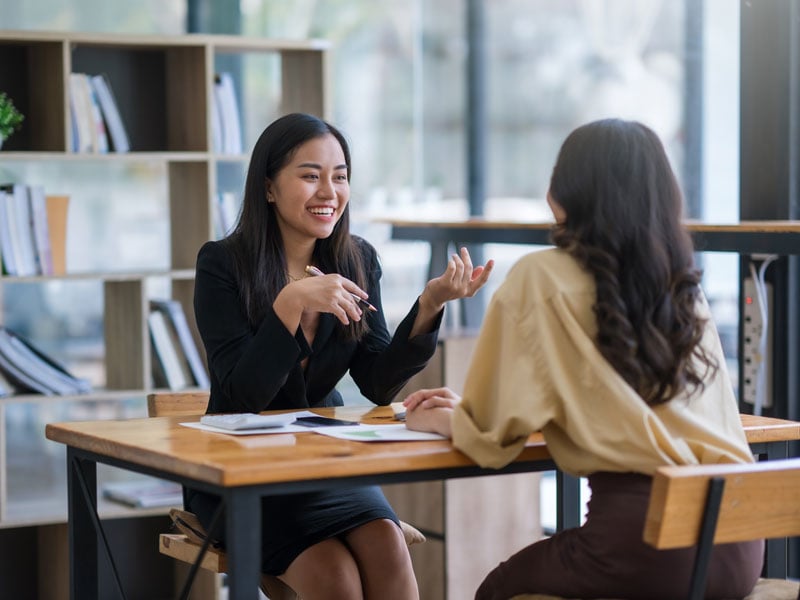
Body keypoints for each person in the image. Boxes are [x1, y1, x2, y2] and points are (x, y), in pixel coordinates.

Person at [404, 119, 763, 600]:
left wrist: (444, 421)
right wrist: (470, 408)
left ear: (565, 189)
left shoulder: (540, 277)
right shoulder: (681, 286)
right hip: (741, 542)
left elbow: (491, 440)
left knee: (497, 590)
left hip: (647, 542)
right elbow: (618, 401)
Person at [190, 112, 493, 599]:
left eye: (340, 176)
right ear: (268, 188)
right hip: (242, 474)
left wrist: (430, 304)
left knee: (387, 544)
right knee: (333, 576)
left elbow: (375, 380)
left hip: (323, 464)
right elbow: (244, 393)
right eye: (310, 176)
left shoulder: (356, 259)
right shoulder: (222, 265)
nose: (328, 192)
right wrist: (291, 304)